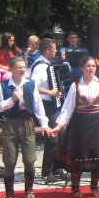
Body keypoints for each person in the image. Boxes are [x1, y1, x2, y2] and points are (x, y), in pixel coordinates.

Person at [50, 56, 99, 197]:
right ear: (82, 68)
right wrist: (59, 126)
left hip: (97, 124)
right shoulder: (76, 85)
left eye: (93, 66)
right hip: (80, 125)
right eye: (88, 66)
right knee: (79, 155)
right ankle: (75, 187)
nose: (91, 68)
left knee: (96, 154)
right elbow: (67, 108)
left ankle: (94, 186)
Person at [0, 57, 52, 198]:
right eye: (19, 67)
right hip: (10, 123)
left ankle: (29, 190)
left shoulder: (31, 85)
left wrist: (44, 124)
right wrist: (11, 100)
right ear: (11, 70)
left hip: (27, 122)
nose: (22, 70)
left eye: (24, 67)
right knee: (10, 161)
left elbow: (38, 106)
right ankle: (10, 193)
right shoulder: (2, 86)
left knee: (29, 160)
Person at [30, 38, 65, 182]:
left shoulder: (48, 65)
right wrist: (51, 93)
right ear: (47, 51)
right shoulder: (40, 66)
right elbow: (33, 86)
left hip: (53, 105)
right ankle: (47, 170)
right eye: (54, 49)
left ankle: (57, 168)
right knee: (52, 138)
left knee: (61, 134)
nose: (56, 51)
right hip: (45, 105)